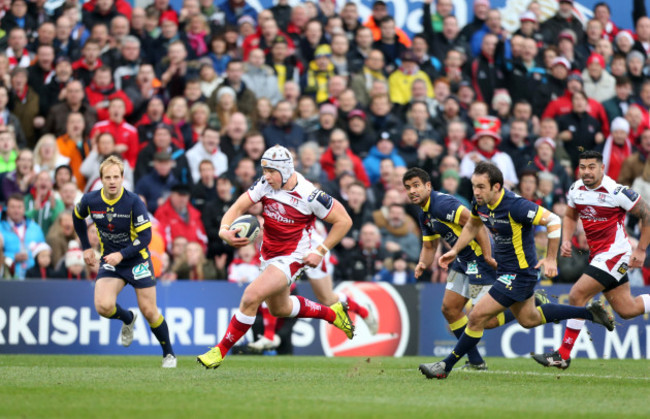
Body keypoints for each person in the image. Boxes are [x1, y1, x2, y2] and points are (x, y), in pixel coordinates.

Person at [418, 161, 615, 379]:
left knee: (476, 317)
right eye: (474, 186)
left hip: (519, 274)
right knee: (529, 319)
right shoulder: (480, 203)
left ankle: (445, 367)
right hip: (505, 272)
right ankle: (589, 313)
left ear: (497, 187)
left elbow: (554, 220)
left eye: (481, 187)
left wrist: (550, 259)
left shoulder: (516, 206)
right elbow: (473, 225)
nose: (476, 191)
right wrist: (455, 250)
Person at [197, 145, 355, 369]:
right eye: (264, 171)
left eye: (271, 171)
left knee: (251, 296)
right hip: (269, 255)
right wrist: (224, 229)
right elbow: (240, 205)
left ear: (286, 170)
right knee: (279, 309)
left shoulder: (309, 194)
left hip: (293, 256)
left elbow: (344, 221)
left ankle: (219, 351)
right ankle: (333, 314)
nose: (266, 176)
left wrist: (320, 251)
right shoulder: (265, 184)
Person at [532, 151, 650, 369]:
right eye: (583, 167)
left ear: (602, 168)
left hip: (616, 254)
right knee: (627, 308)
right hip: (599, 256)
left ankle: (563, 355)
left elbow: (647, 214)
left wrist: (641, 250)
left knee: (577, 294)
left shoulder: (616, 191)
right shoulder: (576, 189)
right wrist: (566, 240)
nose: (586, 171)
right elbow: (569, 215)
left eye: (591, 167)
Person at [72, 156, 176, 368]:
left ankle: (169, 354)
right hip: (111, 260)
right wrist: (85, 247)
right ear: (101, 179)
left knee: (149, 310)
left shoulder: (133, 201)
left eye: (116, 177)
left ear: (122, 178)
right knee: (103, 306)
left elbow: (146, 237)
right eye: (108, 177)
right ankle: (128, 319)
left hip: (136, 259)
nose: (112, 181)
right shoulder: (91, 200)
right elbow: (77, 216)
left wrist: (122, 254)